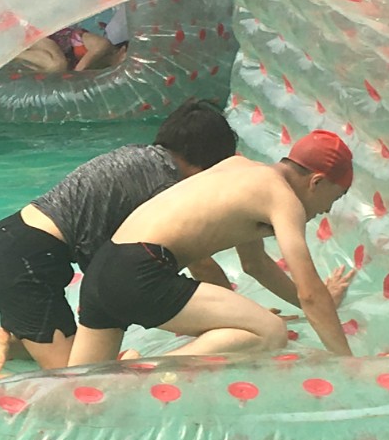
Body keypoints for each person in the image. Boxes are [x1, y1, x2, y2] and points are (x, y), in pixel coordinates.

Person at [0, 98, 237, 379]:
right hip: (26, 262)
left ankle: (15, 340)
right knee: (78, 380)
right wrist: (232, 313)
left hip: (4, 242)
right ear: (208, 163)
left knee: (81, 357)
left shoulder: (136, 155)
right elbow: (200, 263)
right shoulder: (168, 186)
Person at [68, 129, 360, 366]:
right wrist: (350, 364)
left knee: (81, 389)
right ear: (317, 182)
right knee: (270, 331)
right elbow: (310, 294)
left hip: (104, 268)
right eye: (334, 199)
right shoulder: (283, 199)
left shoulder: (239, 168)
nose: (326, 210)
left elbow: (256, 264)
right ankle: (141, 371)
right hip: (141, 271)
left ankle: (124, 373)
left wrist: (320, 303)